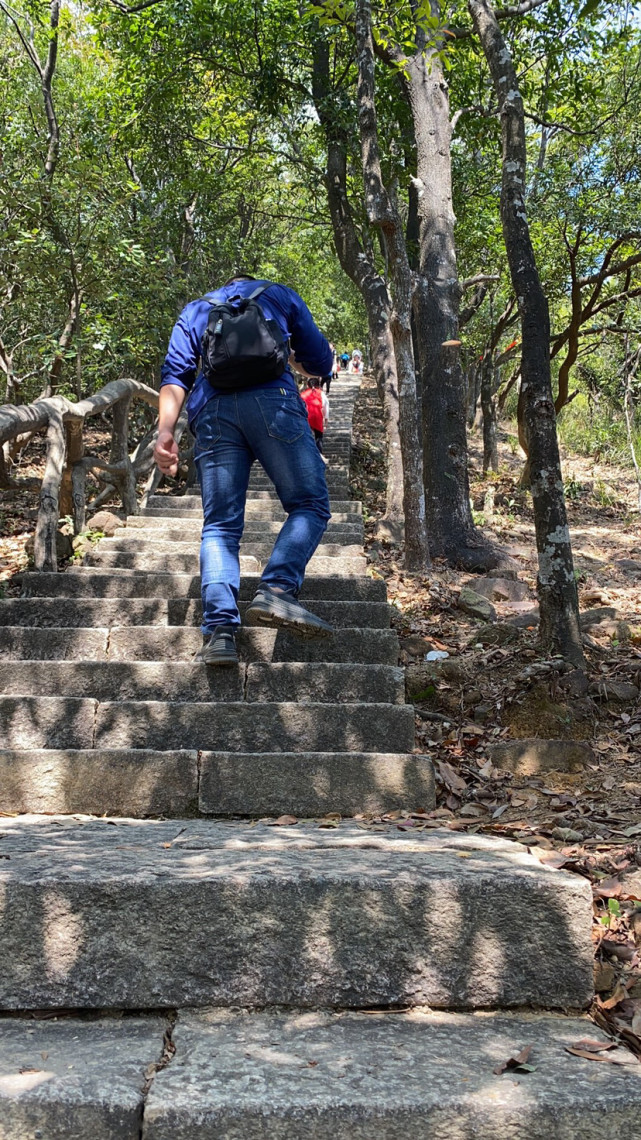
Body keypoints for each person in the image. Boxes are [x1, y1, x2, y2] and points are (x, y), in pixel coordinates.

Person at [154, 274, 334, 666]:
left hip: (214, 413)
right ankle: (278, 587)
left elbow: (175, 375)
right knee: (310, 503)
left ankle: (220, 632)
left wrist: (165, 431)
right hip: (275, 404)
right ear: (253, 282)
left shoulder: (196, 310)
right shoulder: (279, 294)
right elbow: (320, 360)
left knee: (220, 525)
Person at [300, 377, 329, 458]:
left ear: (307, 385)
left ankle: (306, 454)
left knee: (306, 436)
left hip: (305, 416)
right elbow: (325, 405)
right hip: (317, 415)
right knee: (319, 436)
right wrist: (326, 420)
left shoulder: (302, 394)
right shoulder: (321, 393)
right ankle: (319, 454)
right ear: (318, 385)